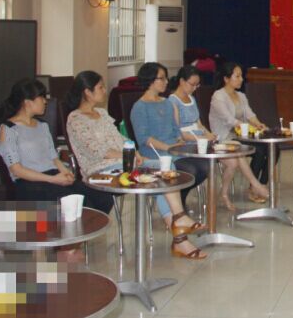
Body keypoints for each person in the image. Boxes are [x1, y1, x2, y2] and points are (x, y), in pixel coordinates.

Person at [65, 70, 207, 259]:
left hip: (124, 163)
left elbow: (120, 138)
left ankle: (179, 222)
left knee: (165, 168)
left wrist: (134, 151)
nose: (105, 90)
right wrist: (129, 155)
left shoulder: (102, 113)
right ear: (87, 92)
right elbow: (97, 150)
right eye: (100, 87)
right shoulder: (75, 119)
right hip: (101, 170)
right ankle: (180, 234)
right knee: (158, 174)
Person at [0, 78, 114, 214]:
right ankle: (77, 226)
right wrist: (52, 179)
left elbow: (53, 157)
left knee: (102, 198)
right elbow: (17, 170)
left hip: (53, 176)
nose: (45, 101)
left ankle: (87, 226)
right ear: (27, 102)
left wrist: (65, 172)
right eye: (41, 97)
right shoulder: (9, 129)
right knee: (81, 203)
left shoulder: (42, 125)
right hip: (29, 183)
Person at [172, 65, 269, 210]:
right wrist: (201, 138)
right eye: (192, 84)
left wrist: (208, 134)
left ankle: (224, 194)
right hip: (189, 143)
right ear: (181, 81)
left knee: (233, 162)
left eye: (197, 85)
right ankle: (256, 185)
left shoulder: (191, 98)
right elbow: (178, 132)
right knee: (236, 151)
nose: (194, 88)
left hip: (202, 140)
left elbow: (199, 124)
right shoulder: (173, 101)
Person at [130, 62, 208, 210]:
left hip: (173, 149)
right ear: (150, 81)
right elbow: (144, 138)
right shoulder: (139, 107)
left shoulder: (166, 103)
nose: (166, 82)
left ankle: (179, 199)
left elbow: (175, 128)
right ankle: (176, 206)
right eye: (162, 78)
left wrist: (178, 139)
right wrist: (168, 147)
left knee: (205, 166)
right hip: (154, 152)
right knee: (189, 170)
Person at [208, 62, 273, 202]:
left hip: (241, 136)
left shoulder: (241, 96)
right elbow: (230, 120)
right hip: (225, 138)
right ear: (226, 79)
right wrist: (250, 128)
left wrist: (258, 124)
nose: (241, 79)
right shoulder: (218, 97)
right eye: (237, 76)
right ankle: (255, 187)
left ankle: (258, 184)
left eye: (241, 76)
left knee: (272, 148)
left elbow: (250, 115)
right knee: (259, 151)